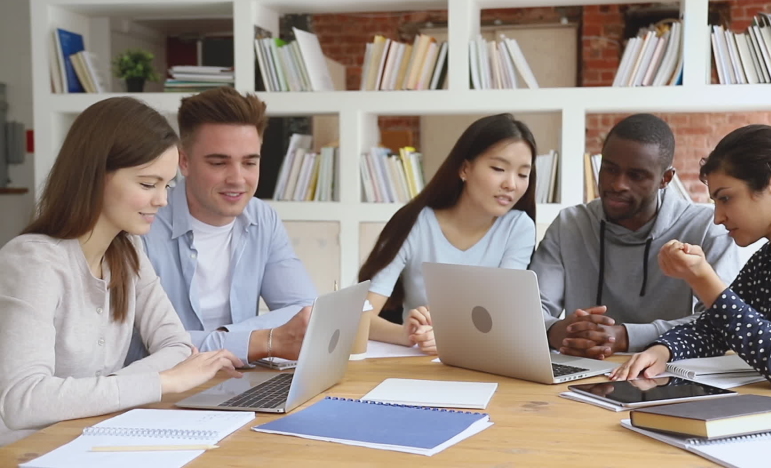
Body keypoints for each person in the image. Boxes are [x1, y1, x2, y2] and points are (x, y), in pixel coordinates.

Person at [0, 97, 243, 446]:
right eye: (148, 184)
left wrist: (119, 388)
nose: (162, 200)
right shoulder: (33, 262)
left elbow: (176, 344)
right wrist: (162, 382)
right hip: (29, 452)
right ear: (95, 176)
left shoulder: (128, 251)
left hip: (94, 440)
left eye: (167, 185)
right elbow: (23, 400)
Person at [611, 124, 771, 425]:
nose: (717, 217)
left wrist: (702, 278)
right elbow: (717, 329)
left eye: (725, 198)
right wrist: (664, 350)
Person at [126, 87, 317, 366]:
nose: (238, 179)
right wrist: (258, 341)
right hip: (164, 390)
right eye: (219, 163)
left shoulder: (263, 219)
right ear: (184, 161)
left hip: (241, 378)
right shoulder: (142, 226)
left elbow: (306, 313)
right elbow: (138, 346)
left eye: (250, 162)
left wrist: (223, 341)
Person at [530, 114, 740, 359]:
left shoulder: (706, 229)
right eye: (609, 169)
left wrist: (628, 337)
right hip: (582, 368)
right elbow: (534, 309)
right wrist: (554, 331)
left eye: (636, 175)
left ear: (666, 179)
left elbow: (722, 322)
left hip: (670, 372)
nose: (618, 184)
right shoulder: (569, 224)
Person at [359, 113, 538, 355]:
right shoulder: (414, 222)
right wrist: (408, 334)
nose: (511, 184)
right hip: (416, 363)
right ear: (465, 168)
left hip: (484, 360)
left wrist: (450, 336)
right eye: (498, 168)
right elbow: (360, 316)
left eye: (522, 174)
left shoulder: (518, 228)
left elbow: (503, 317)